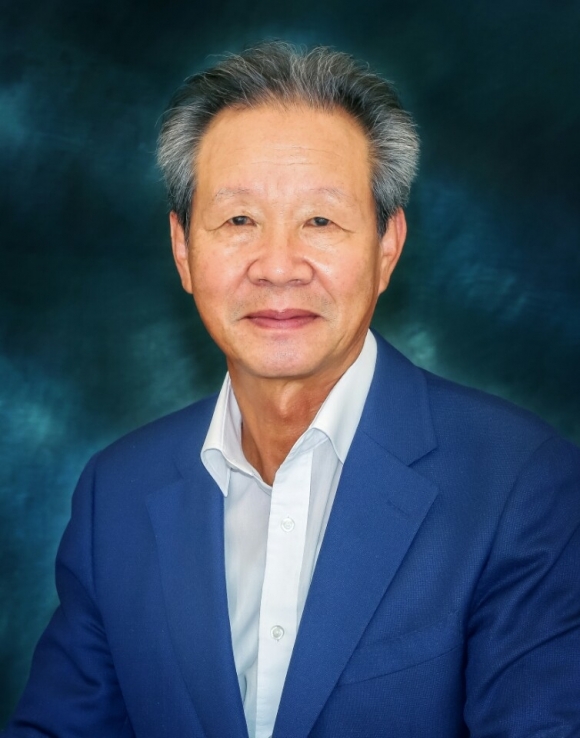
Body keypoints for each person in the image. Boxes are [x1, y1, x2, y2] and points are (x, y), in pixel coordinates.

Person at [4, 41, 580, 738]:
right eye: (239, 220)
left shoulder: (520, 483)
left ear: (387, 246)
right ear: (183, 249)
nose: (278, 267)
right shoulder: (116, 493)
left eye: (321, 221)